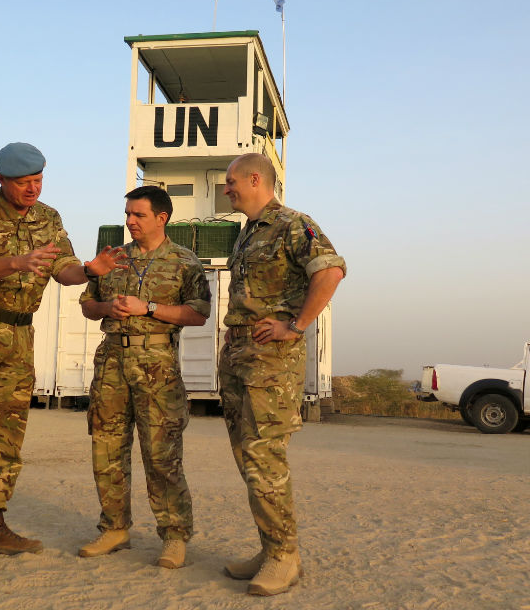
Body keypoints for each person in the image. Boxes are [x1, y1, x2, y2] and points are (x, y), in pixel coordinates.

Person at [0, 142, 124, 570]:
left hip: (20, 334)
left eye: (38, 180)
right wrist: (18, 261)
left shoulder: (48, 218)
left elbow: (66, 270)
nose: (32, 188)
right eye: (24, 183)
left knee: (7, 429)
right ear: (2, 180)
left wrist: (91, 270)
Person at [218, 153, 345, 596]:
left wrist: (296, 325)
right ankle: (270, 544)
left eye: (232, 181)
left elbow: (330, 270)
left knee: (264, 456)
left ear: (256, 179)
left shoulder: (293, 224)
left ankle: (283, 557)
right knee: (246, 457)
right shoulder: (247, 233)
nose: (227, 188)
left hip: (270, 362)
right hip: (240, 354)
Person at [77, 185, 210, 569]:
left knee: (161, 453)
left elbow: (198, 313)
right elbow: (87, 305)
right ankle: (114, 528)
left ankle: (174, 535)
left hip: (157, 365)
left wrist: (147, 307)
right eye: (128, 215)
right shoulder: (113, 259)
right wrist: (108, 307)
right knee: (106, 448)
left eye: (138, 215)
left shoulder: (185, 262)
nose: (130, 222)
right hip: (112, 362)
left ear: (161, 218)